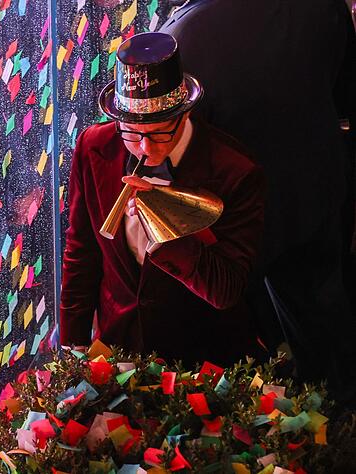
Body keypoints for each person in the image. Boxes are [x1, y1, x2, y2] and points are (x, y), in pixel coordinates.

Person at [160, 0, 356, 402]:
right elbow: (343, 86)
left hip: (245, 220)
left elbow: (179, 153)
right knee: (324, 318)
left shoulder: (183, 39)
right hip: (319, 189)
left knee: (244, 353)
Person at [60, 32, 266, 366]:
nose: (144, 147)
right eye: (131, 133)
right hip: (119, 350)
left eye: (159, 133)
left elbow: (226, 289)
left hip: (202, 358)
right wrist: (74, 346)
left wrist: (163, 228)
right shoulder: (93, 147)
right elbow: (81, 252)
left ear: (184, 115)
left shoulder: (236, 172)